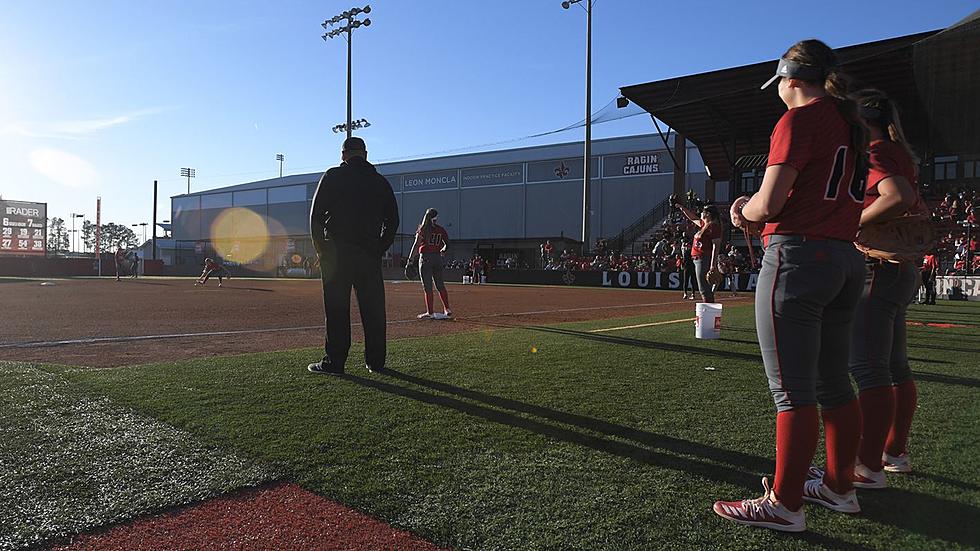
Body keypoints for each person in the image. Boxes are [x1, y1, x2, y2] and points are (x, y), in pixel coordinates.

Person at [716, 39, 868, 532]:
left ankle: (784, 504)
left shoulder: (798, 120)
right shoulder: (850, 125)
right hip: (845, 259)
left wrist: (743, 209)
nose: (778, 91)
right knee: (833, 383)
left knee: (792, 391)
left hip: (800, 257)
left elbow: (773, 201)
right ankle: (840, 488)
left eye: (780, 82)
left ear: (792, 79)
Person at [846, 89, 926, 484]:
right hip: (898, 268)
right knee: (894, 367)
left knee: (867, 368)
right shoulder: (897, 151)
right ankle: (894, 452)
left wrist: (855, 220)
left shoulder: (876, 152)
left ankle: (866, 466)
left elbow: (898, 195)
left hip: (876, 267)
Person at [308, 136, 399, 375]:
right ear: (365, 155)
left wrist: (322, 250)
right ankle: (375, 361)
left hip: (337, 253)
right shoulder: (380, 182)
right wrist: (379, 249)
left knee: (337, 310)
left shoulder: (333, 176)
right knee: (374, 310)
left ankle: (335, 362)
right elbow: (393, 222)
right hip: (369, 254)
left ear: (343, 155)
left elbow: (315, 217)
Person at [407, 208, 453, 320]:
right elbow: (447, 244)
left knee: (427, 287)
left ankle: (430, 312)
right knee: (440, 285)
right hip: (437, 258)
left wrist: (410, 260)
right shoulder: (440, 230)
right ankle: (447, 309)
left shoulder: (423, 229)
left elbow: (416, 245)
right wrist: (443, 250)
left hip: (426, 258)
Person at [675, 201, 722, 303]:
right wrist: (682, 208)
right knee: (704, 289)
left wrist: (713, 265)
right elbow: (693, 218)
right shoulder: (704, 225)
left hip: (703, 258)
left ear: (708, 214)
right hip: (697, 259)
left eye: (703, 212)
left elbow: (716, 246)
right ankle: (709, 314)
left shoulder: (713, 227)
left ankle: (708, 315)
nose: (701, 213)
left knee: (704, 289)